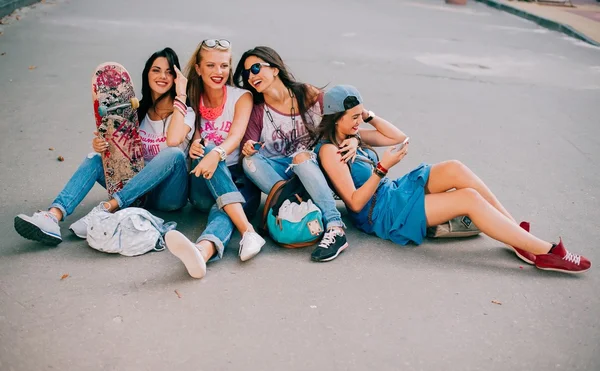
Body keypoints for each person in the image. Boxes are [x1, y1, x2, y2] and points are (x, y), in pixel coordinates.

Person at [313, 84, 591, 274]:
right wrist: (383, 167)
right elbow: (355, 203)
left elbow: (398, 137)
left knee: (455, 168)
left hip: (392, 191)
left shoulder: (353, 136)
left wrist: (367, 119)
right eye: (352, 117)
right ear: (335, 118)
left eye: (360, 115)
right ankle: (547, 253)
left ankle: (519, 237)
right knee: (468, 199)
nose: (358, 121)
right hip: (382, 212)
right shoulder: (329, 151)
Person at [14, 47, 195, 246]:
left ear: (177, 78)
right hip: (136, 191)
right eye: (156, 70)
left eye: (169, 72)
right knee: (95, 158)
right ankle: (53, 216)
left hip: (168, 196)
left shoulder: (186, 112)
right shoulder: (135, 111)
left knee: (173, 154)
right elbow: (122, 154)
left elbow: (173, 140)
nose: (163, 76)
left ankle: (107, 209)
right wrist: (103, 146)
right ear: (147, 74)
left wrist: (181, 95)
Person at [233, 46, 360, 262]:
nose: (251, 76)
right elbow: (249, 145)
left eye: (255, 68)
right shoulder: (258, 110)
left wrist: (354, 139)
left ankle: (335, 226)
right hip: (282, 175)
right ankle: (293, 200)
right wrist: (249, 148)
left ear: (274, 69)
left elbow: (346, 119)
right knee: (249, 162)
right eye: (246, 73)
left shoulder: (307, 94)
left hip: (313, 169)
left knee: (300, 158)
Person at [165, 39, 265, 279]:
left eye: (224, 65)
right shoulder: (192, 99)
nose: (218, 72)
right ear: (198, 69)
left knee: (226, 208)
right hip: (201, 183)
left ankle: (202, 250)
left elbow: (236, 136)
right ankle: (248, 231)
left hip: (238, 180)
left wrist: (216, 153)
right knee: (207, 148)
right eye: (210, 65)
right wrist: (196, 149)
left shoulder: (242, 97)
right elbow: (176, 138)